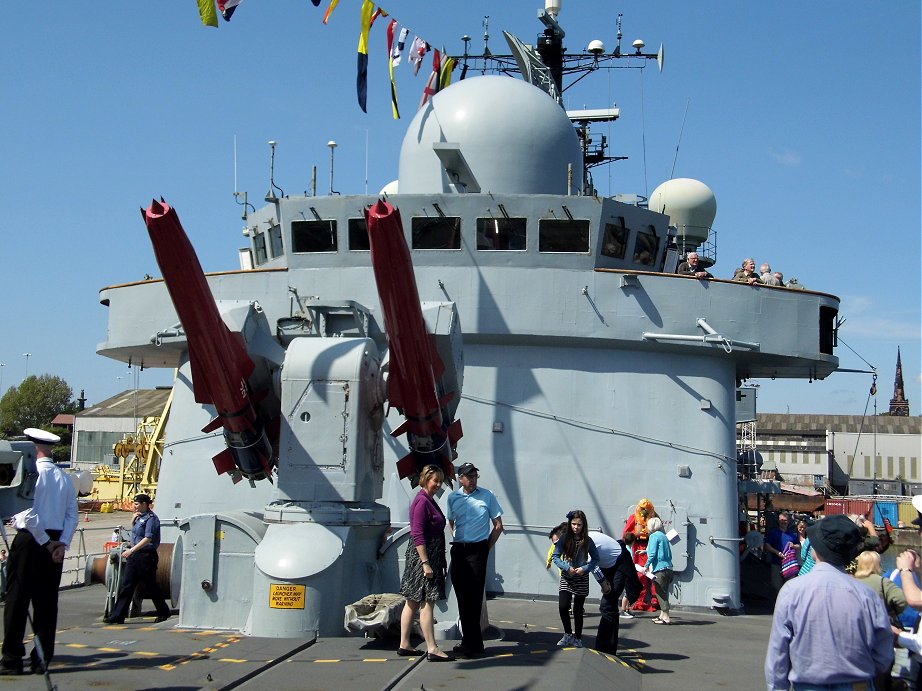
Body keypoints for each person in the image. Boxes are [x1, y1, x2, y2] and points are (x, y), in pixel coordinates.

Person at [765, 514, 894, 690]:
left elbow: (778, 652)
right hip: (858, 683)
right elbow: (884, 654)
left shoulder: (791, 591)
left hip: (808, 683)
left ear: (815, 550)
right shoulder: (868, 595)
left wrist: (778, 687)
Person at [1, 428, 78, 676]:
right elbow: (72, 515)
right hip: (55, 543)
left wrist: (46, 543)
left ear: (32, 449)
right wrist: (61, 544)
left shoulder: (29, 476)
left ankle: (12, 659)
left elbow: (26, 514)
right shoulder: (64, 478)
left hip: (31, 541)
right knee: (46, 604)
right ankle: (42, 658)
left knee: (17, 601)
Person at [446, 462, 503, 658]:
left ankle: (475, 644)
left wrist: (485, 547)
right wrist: (456, 535)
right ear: (460, 478)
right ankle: (468, 641)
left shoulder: (487, 496)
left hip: (478, 550)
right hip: (460, 549)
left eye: (475, 476)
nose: (473, 480)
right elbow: (450, 520)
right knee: (462, 596)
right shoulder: (453, 497)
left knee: (474, 597)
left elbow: (498, 526)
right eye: (469, 476)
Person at [397, 465, 453, 661]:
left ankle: (404, 643)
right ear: (425, 479)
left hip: (426, 557)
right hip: (424, 558)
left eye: (439, 481)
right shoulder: (422, 501)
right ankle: (432, 648)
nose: (437, 484)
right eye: (434, 481)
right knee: (427, 603)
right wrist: (426, 563)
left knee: (411, 602)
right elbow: (418, 534)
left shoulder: (427, 500)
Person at [103, 494, 171, 625]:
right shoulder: (139, 518)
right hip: (135, 556)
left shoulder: (151, 519)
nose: (134, 506)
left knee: (150, 585)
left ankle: (163, 611)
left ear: (145, 504)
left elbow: (148, 538)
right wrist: (132, 522)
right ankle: (118, 615)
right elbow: (135, 535)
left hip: (146, 556)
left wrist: (132, 550)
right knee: (127, 585)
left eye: (137, 504)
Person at [551, 510, 598, 648]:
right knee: (563, 606)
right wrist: (566, 567)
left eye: (579, 524)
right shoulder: (564, 539)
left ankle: (578, 637)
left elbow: (595, 559)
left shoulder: (588, 541)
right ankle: (567, 633)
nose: (576, 527)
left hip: (581, 578)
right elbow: (556, 556)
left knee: (578, 609)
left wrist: (585, 568)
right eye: (573, 524)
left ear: (584, 525)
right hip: (567, 576)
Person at [590, 528, 641, 654]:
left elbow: (591, 565)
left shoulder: (583, 543)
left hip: (620, 562)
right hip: (610, 565)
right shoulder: (577, 542)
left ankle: (604, 646)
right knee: (609, 606)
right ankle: (608, 646)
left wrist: (604, 584)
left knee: (607, 604)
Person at [853, 550, 907, 628]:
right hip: (881, 626)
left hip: (859, 625)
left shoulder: (851, 582)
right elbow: (902, 600)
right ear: (877, 564)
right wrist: (893, 612)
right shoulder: (883, 582)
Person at [623, 499, 658, 612]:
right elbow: (625, 535)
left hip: (650, 547)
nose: (644, 512)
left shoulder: (653, 519)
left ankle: (655, 598)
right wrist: (635, 534)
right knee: (640, 575)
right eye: (642, 509)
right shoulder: (633, 518)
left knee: (654, 574)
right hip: (638, 548)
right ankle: (640, 599)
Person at [645, 517, 674, 625]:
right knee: (664, 592)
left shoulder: (653, 536)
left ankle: (666, 617)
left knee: (660, 593)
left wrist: (646, 566)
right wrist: (644, 551)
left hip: (659, 569)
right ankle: (662, 615)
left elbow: (652, 554)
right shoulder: (664, 536)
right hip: (669, 568)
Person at [764, 512, 797, 594]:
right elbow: (766, 546)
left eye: (785, 520)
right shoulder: (773, 533)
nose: (783, 522)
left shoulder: (793, 534)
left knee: (790, 586)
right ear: (778, 521)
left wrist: (793, 545)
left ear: (788, 521)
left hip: (789, 563)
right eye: (781, 520)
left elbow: (799, 546)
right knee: (777, 585)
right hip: (776, 563)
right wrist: (776, 552)